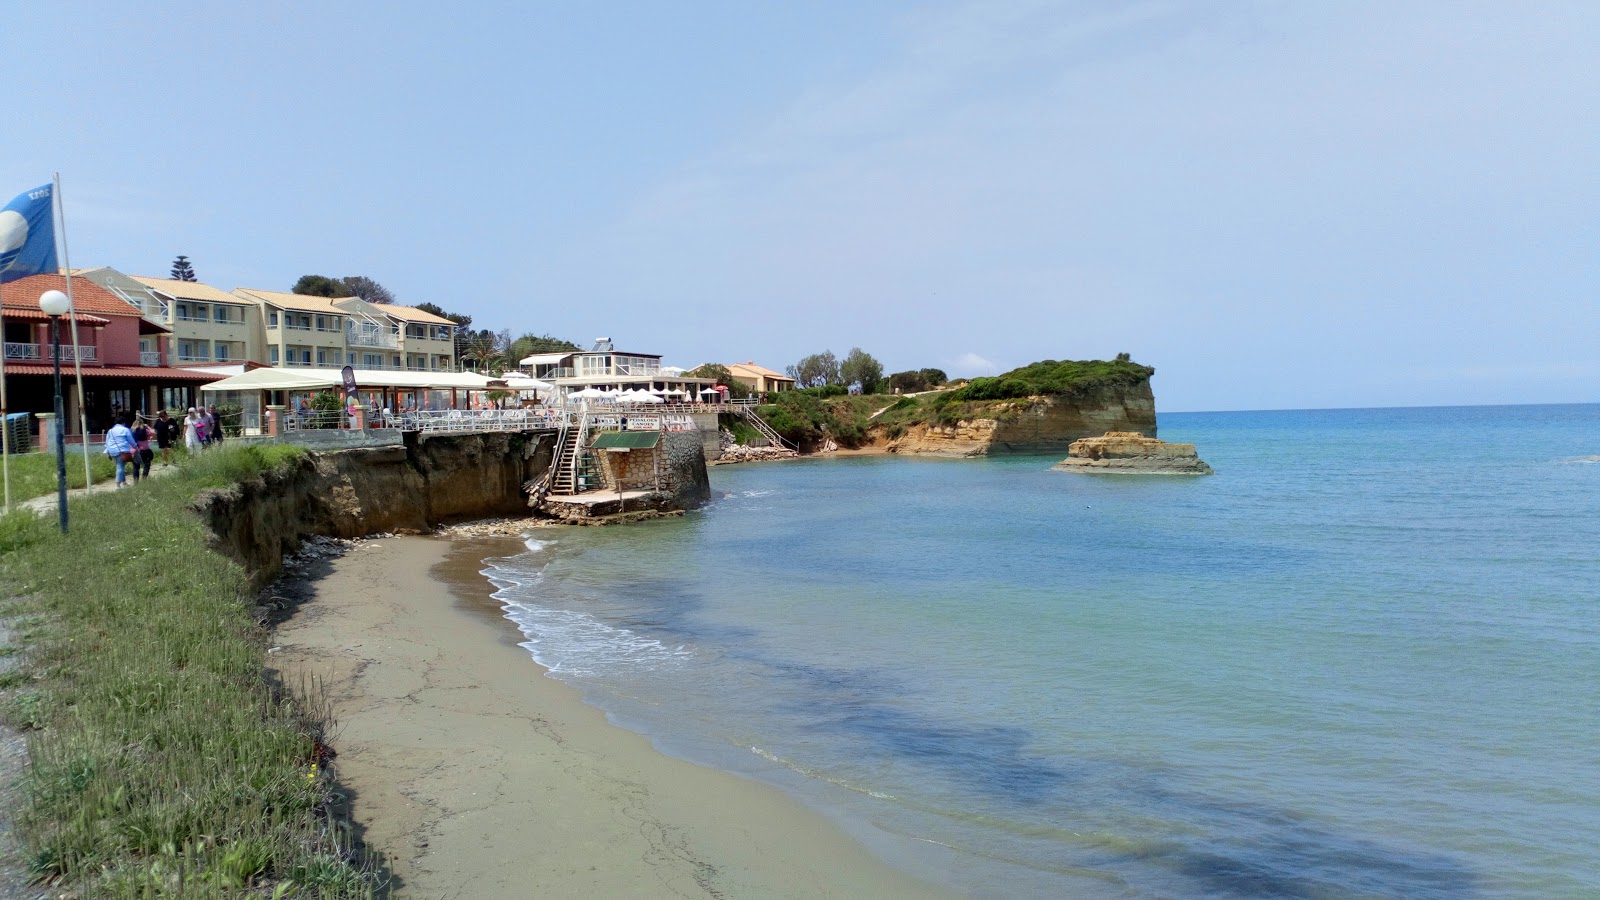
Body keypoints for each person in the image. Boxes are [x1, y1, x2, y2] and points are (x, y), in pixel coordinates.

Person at [104, 412, 138, 488]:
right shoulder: (125, 430)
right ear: (123, 422)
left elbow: (107, 442)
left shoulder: (110, 431)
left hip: (112, 450)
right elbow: (131, 440)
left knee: (119, 466)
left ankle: (124, 482)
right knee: (120, 467)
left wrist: (108, 452)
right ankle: (118, 485)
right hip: (122, 450)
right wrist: (136, 447)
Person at [131, 415, 154, 480]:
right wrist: (147, 426)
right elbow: (153, 432)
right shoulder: (145, 431)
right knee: (147, 465)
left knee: (136, 467)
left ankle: (136, 481)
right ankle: (144, 478)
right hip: (145, 450)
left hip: (135, 451)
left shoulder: (132, 432)